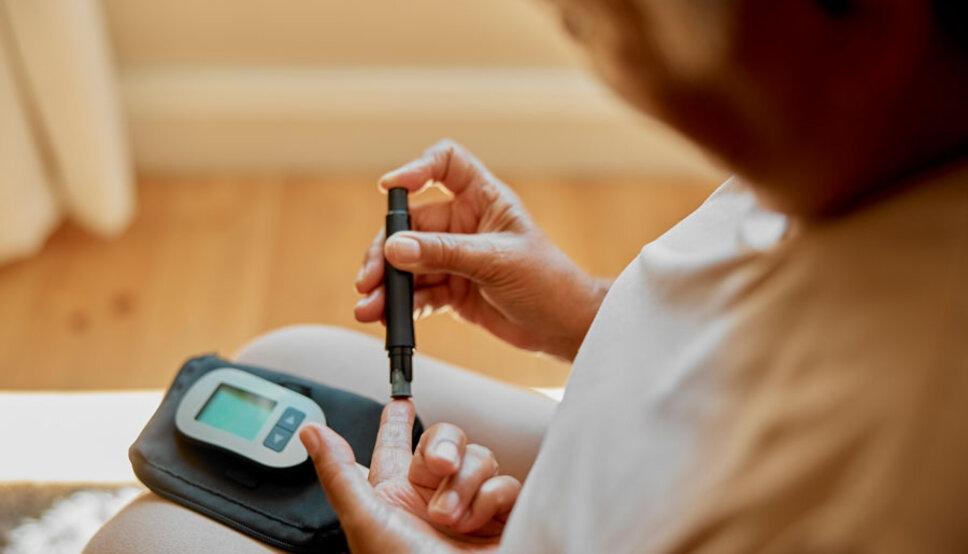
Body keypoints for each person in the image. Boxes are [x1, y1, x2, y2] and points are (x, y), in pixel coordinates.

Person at [86, 0, 968, 552]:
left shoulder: (884, 475)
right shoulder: (883, 138)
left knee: (143, 545)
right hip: (640, 469)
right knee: (290, 358)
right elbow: (751, 345)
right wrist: (588, 319)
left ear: (869, 29)